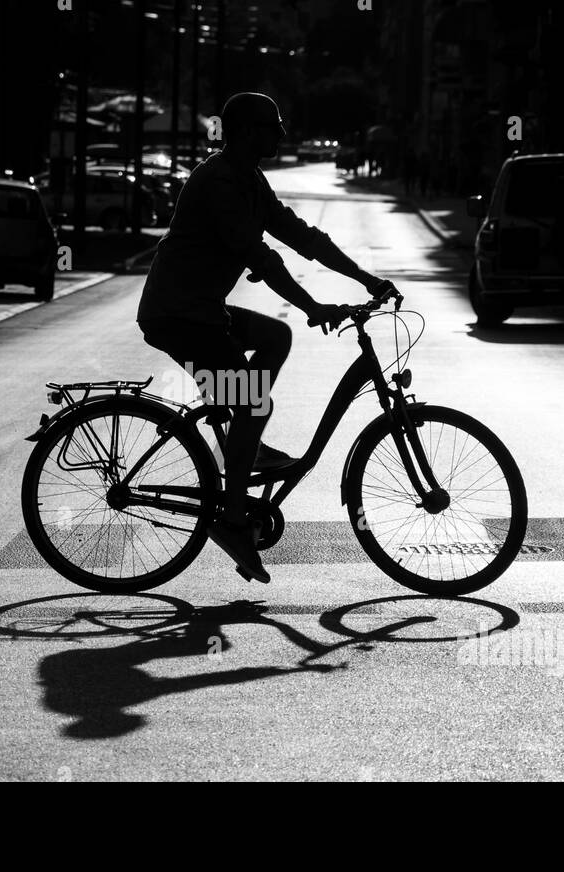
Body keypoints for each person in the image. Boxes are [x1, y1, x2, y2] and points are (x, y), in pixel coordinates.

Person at [137, 92, 390, 583]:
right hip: (179, 317)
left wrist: (366, 280)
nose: (281, 133)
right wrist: (314, 307)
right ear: (249, 130)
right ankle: (232, 520)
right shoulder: (220, 181)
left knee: (275, 337)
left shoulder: (250, 179)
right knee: (254, 403)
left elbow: (301, 237)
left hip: (204, 311)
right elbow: (264, 259)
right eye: (274, 126)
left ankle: (244, 447)